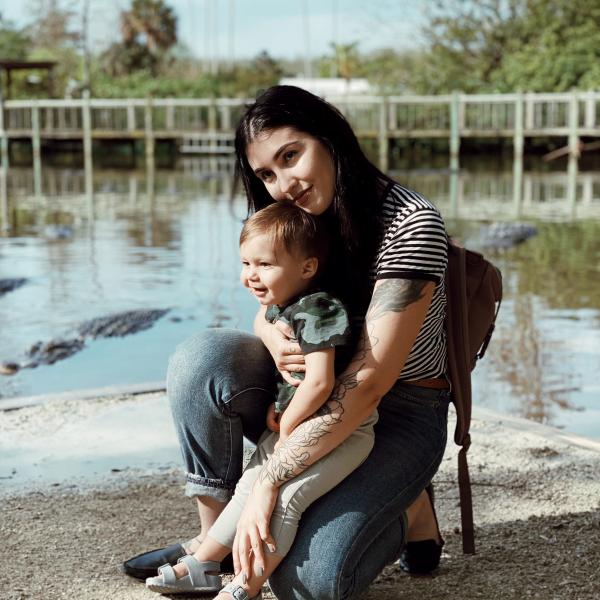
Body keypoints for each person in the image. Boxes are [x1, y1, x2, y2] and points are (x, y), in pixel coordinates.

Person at [123, 85, 449, 599]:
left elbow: (368, 384)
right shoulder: (300, 220)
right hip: (302, 394)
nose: (284, 184)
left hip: (398, 407)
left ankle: (404, 508)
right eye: (267, 174)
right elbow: (274, 301)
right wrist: (267, 334)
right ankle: (212, 545)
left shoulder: (411, 225)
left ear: (331, 138)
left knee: (309, 583)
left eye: (291, 156)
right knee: (201, 358)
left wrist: (271, 479)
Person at [146, 201, 377, 597]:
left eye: (264, 265)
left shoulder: (319, 310)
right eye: (246, 263)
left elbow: (320, 382)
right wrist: (282, 408)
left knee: (285, 499)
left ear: (307, 268)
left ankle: (244, 586)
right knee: (248, 486)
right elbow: (283, 353)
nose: (250, 275)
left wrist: (288, 423)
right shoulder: (280, 305)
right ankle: (203, 564)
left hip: (342, 431)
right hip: (297, 423)